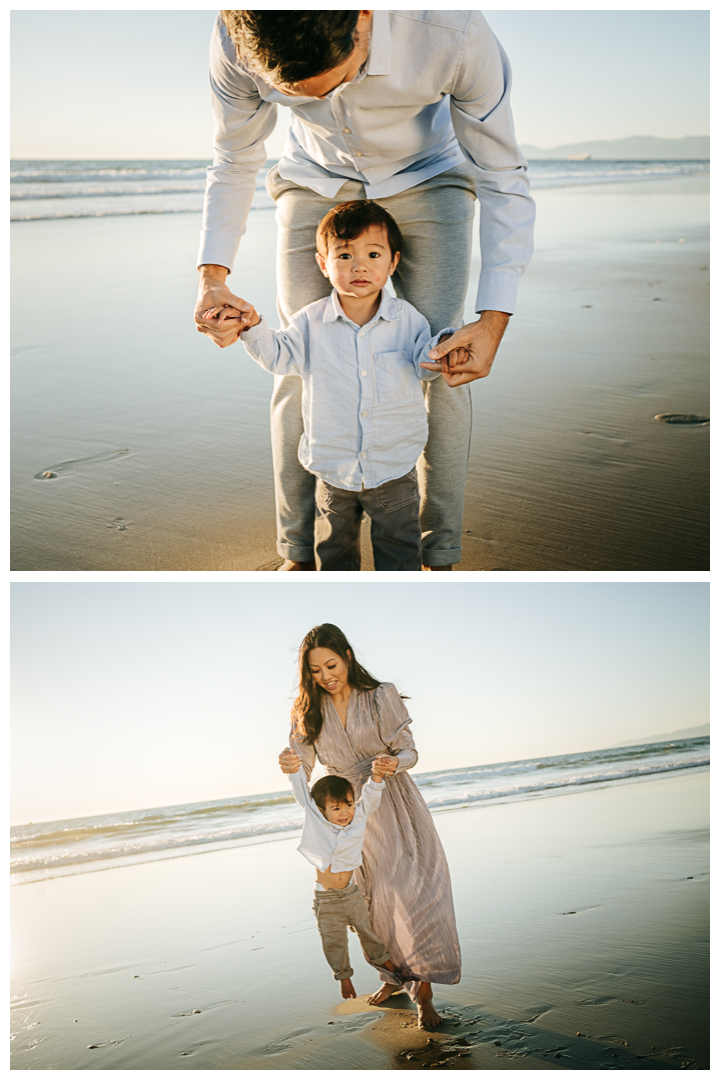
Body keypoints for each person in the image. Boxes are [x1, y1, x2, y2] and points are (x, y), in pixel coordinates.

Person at [195, 11, 536, 572]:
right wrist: (213, 279)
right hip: (313, 177)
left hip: (429, 175)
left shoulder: (452, 31)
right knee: (296, 365)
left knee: (448, 364)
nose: (332, 102)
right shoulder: (236, 37)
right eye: (301, 98)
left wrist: (495, 317)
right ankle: (300, 553)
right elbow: (233, 156)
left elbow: (502, 170)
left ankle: (440, 553)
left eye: (345, 78)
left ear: (363, 17)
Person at [203, 200, 463, 570]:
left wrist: (447, 351)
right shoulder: (310, 322)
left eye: (373, 253)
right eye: (344, 255)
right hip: (332, 470)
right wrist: (252, 325)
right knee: (334, 556)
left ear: (392, 263)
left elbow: (426, 366)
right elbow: (278, 356)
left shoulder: (409, 320)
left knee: (400, 556)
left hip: (394, 468)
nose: (359, 265)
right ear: (323, 264)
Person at [278, 623, 461, 1029]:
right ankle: (393, 978)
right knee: (368, 901)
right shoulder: (305, 710)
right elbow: (303, 763)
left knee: (413, 893)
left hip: (393, 801)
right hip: (345, 816)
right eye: (315, 670)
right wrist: (291, 764)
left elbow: (409, 749)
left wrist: (395, 763)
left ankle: (424, 991)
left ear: (347, 655)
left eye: (331, 664)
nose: (326, 676)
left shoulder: (381, 695)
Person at [280, 751, 404, 999]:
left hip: (351, 893)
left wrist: (377, 776)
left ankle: (388, 966)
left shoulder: (357, 816)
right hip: (326, 898)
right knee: (333, 940)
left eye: (348, 804)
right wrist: (294, 770)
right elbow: (301, 792)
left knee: (367, 931)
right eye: (336, 808)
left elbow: (370, 797)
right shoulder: (315, 818)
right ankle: (344, 978)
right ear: (321, 809)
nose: (345, 812)